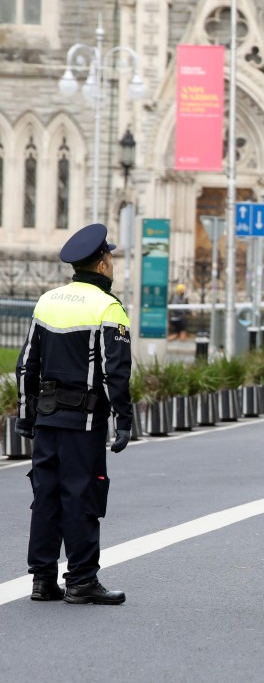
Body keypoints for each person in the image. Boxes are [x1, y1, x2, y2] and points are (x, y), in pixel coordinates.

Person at [15, 223, 133, 605]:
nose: (112, 263)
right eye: (110, 258)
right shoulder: (108, 308)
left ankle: (43, 580)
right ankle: (82, 580)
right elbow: (115, 373)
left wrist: (24, 415)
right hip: (84, 422)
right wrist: (125, 420)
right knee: (82, 494)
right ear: (101, 266)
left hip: (47, 418)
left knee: (45, 497)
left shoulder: (48, 301)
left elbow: (25, 367)